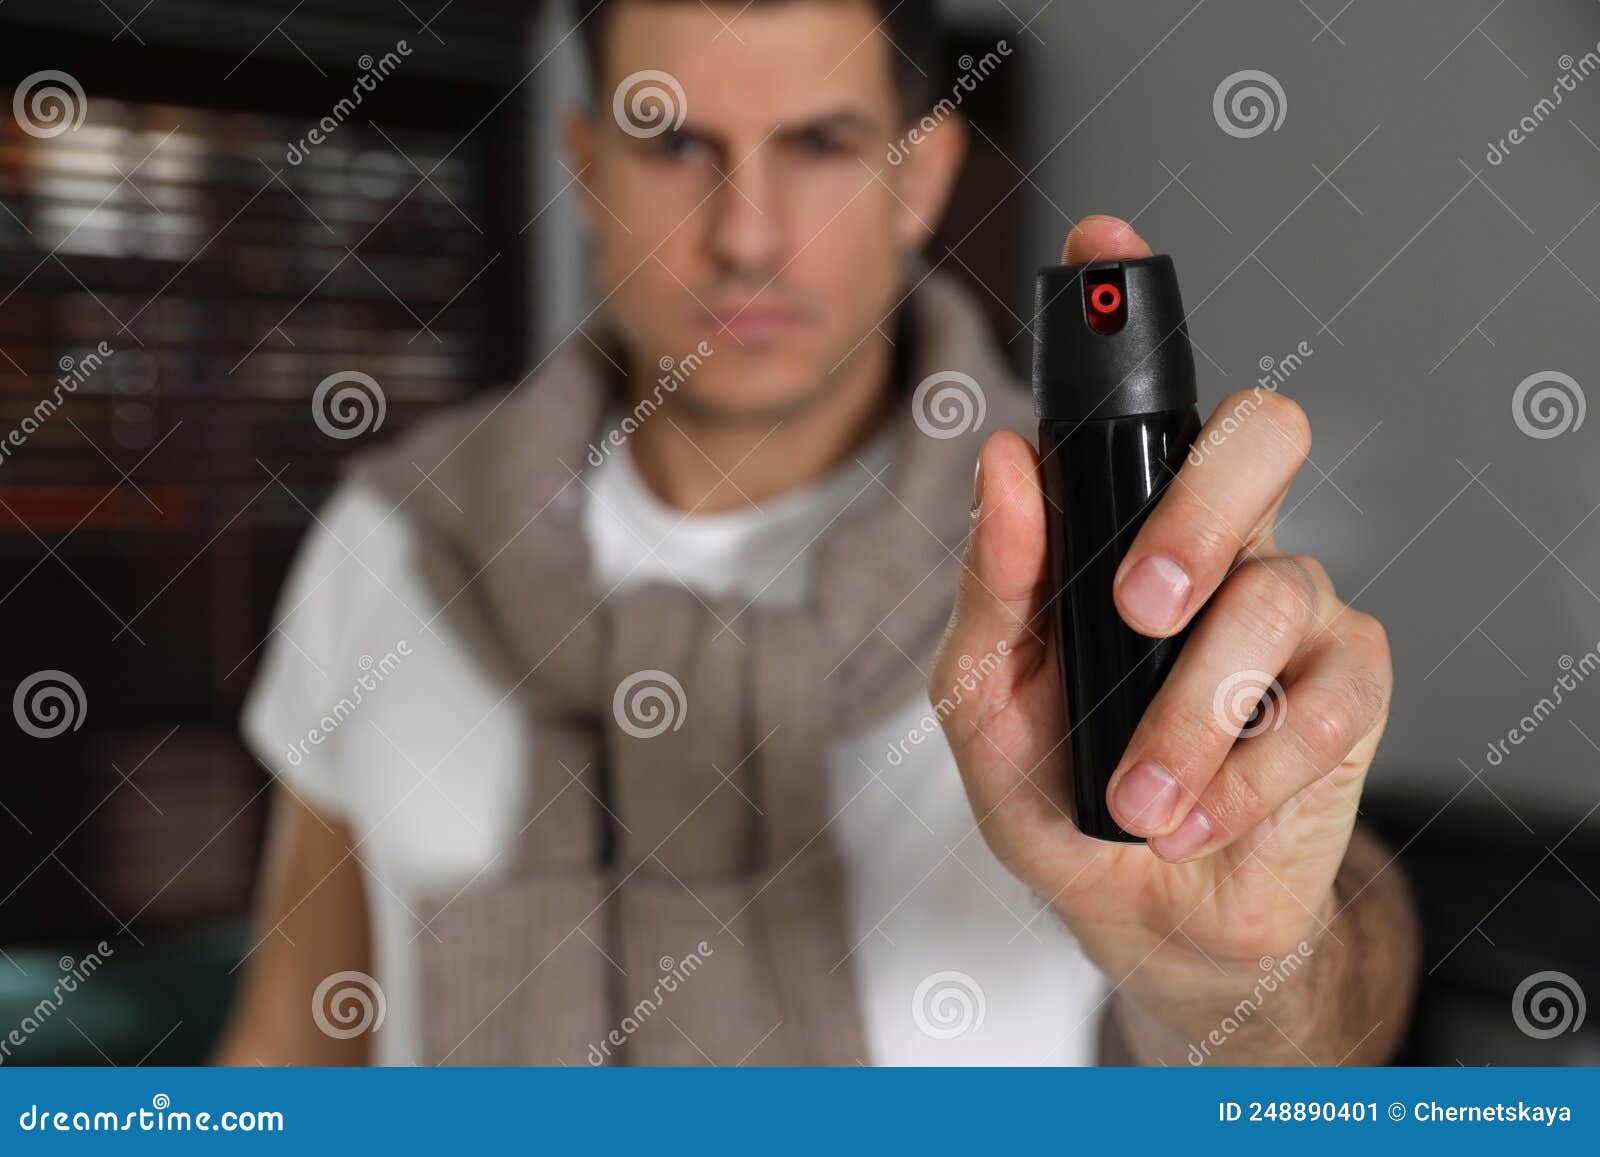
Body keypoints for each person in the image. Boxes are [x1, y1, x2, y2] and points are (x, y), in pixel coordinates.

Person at [217, 0, 1418, 1067]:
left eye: (820, 144)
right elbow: (293, 1043)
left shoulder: (1106, 554)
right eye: (673, 140)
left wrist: (1233, 971)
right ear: (586, 169)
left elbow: (1315, 1029)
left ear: (922, 174)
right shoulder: (388, 538)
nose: (746, 235)